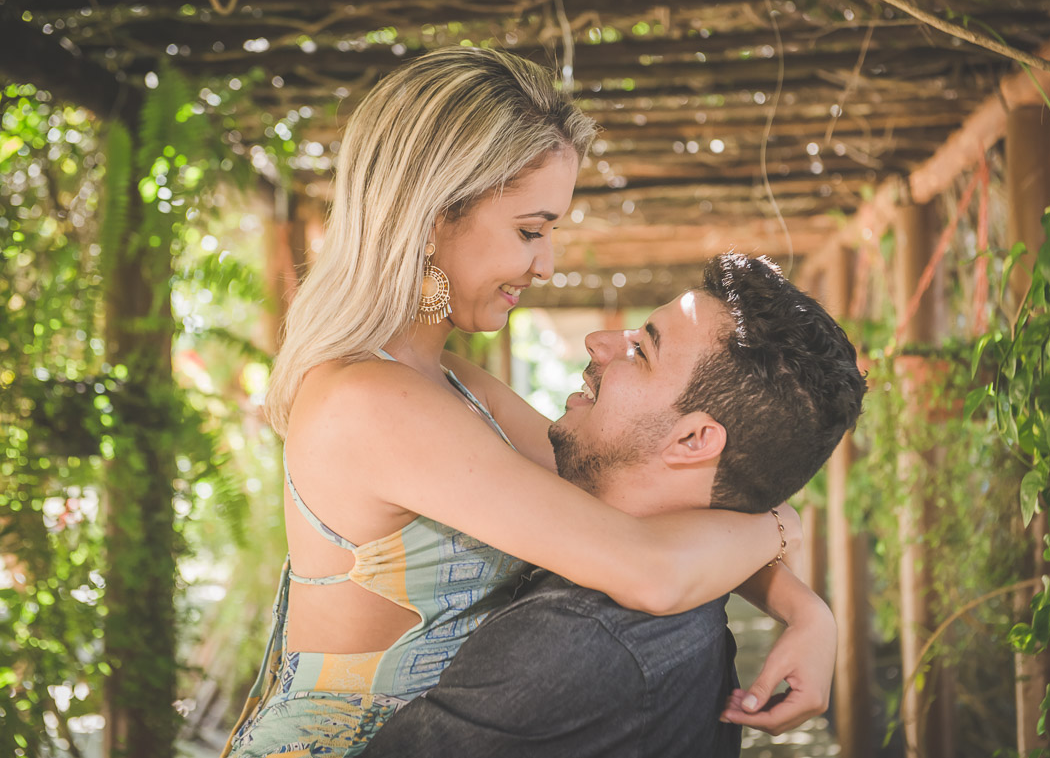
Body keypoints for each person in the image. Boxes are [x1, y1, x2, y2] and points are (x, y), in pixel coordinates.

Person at [223, 48, 836, 758]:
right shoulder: (370, 401)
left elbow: (609, 505)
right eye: (530, 230)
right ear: (431, 217)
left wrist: (804, 609)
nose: (546, 263)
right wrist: (779, 528)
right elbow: (647, 568)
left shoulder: (451, 382)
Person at [361, 253, 866, 757]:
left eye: (642, 351)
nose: (599, 343)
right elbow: (434, 376)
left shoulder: (577, 643)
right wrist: (807, 605)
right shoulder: (697, 582)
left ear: (693, 441)